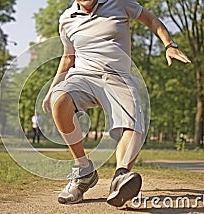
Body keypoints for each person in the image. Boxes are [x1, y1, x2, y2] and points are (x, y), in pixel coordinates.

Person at [42, 0, 191, 207]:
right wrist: (52, 88)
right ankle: (83, 171)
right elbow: (69, 57)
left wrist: (169, 44)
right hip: (83, 77)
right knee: (60, 100)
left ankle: (121, 177)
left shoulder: (119, 3)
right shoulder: (67, 19)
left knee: (133, 125)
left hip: (118, 78)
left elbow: (151, 19)